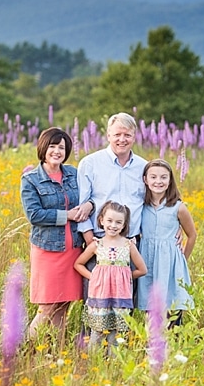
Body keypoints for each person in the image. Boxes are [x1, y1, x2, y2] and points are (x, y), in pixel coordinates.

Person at [20, 127, 92, 347]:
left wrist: (89, 205)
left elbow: (91, 196)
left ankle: (56, 351)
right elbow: (34, 215)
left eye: (61, 147)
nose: (57, 151)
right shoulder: (31, 179)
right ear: (43, 148)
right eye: (52, 146)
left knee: (64, 305)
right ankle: (23, 349)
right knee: (48, 306)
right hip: (48, 250)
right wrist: (67, 215)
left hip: (74, 250)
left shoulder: (74, 173)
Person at [77, 112, 148, 305]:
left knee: (124, 306)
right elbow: (81, 207)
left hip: (130, 246)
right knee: (94, 303)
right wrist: (91, 241)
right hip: (98, 244)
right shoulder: (90, 163)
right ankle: (89, 337)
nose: (122, 139)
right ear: (108, 135)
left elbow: (153, 203)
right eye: (117, 134)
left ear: (134, 136)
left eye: (127, 135)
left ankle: (123, 337)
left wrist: (176, 224)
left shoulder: (144, 167)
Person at [74, 201, 147, 351]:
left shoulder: (128, 245)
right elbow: (78, 264)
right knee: (97, 334)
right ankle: (93, 365)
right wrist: (93, 276)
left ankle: (114, 366)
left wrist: (126, 276)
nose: (113, 225)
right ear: (101, 220)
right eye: (110, 221)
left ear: (124, 225)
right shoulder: (97, 245)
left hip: (120, 297)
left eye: (118, 222)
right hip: (100, 296)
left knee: (115, 336)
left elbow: (142, 269)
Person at [136, 159, 197, 328]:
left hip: (170, 263)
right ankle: (153, 343)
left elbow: (191, 235)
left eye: (163, 177)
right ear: (145, 180)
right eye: (153, 177)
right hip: (148, 259)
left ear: (170, 180)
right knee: (151, 306)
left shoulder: (178, 207)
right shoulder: (141, 205)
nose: (158, 181)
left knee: (172, 304)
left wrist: (182, 259)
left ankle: (174, 342)